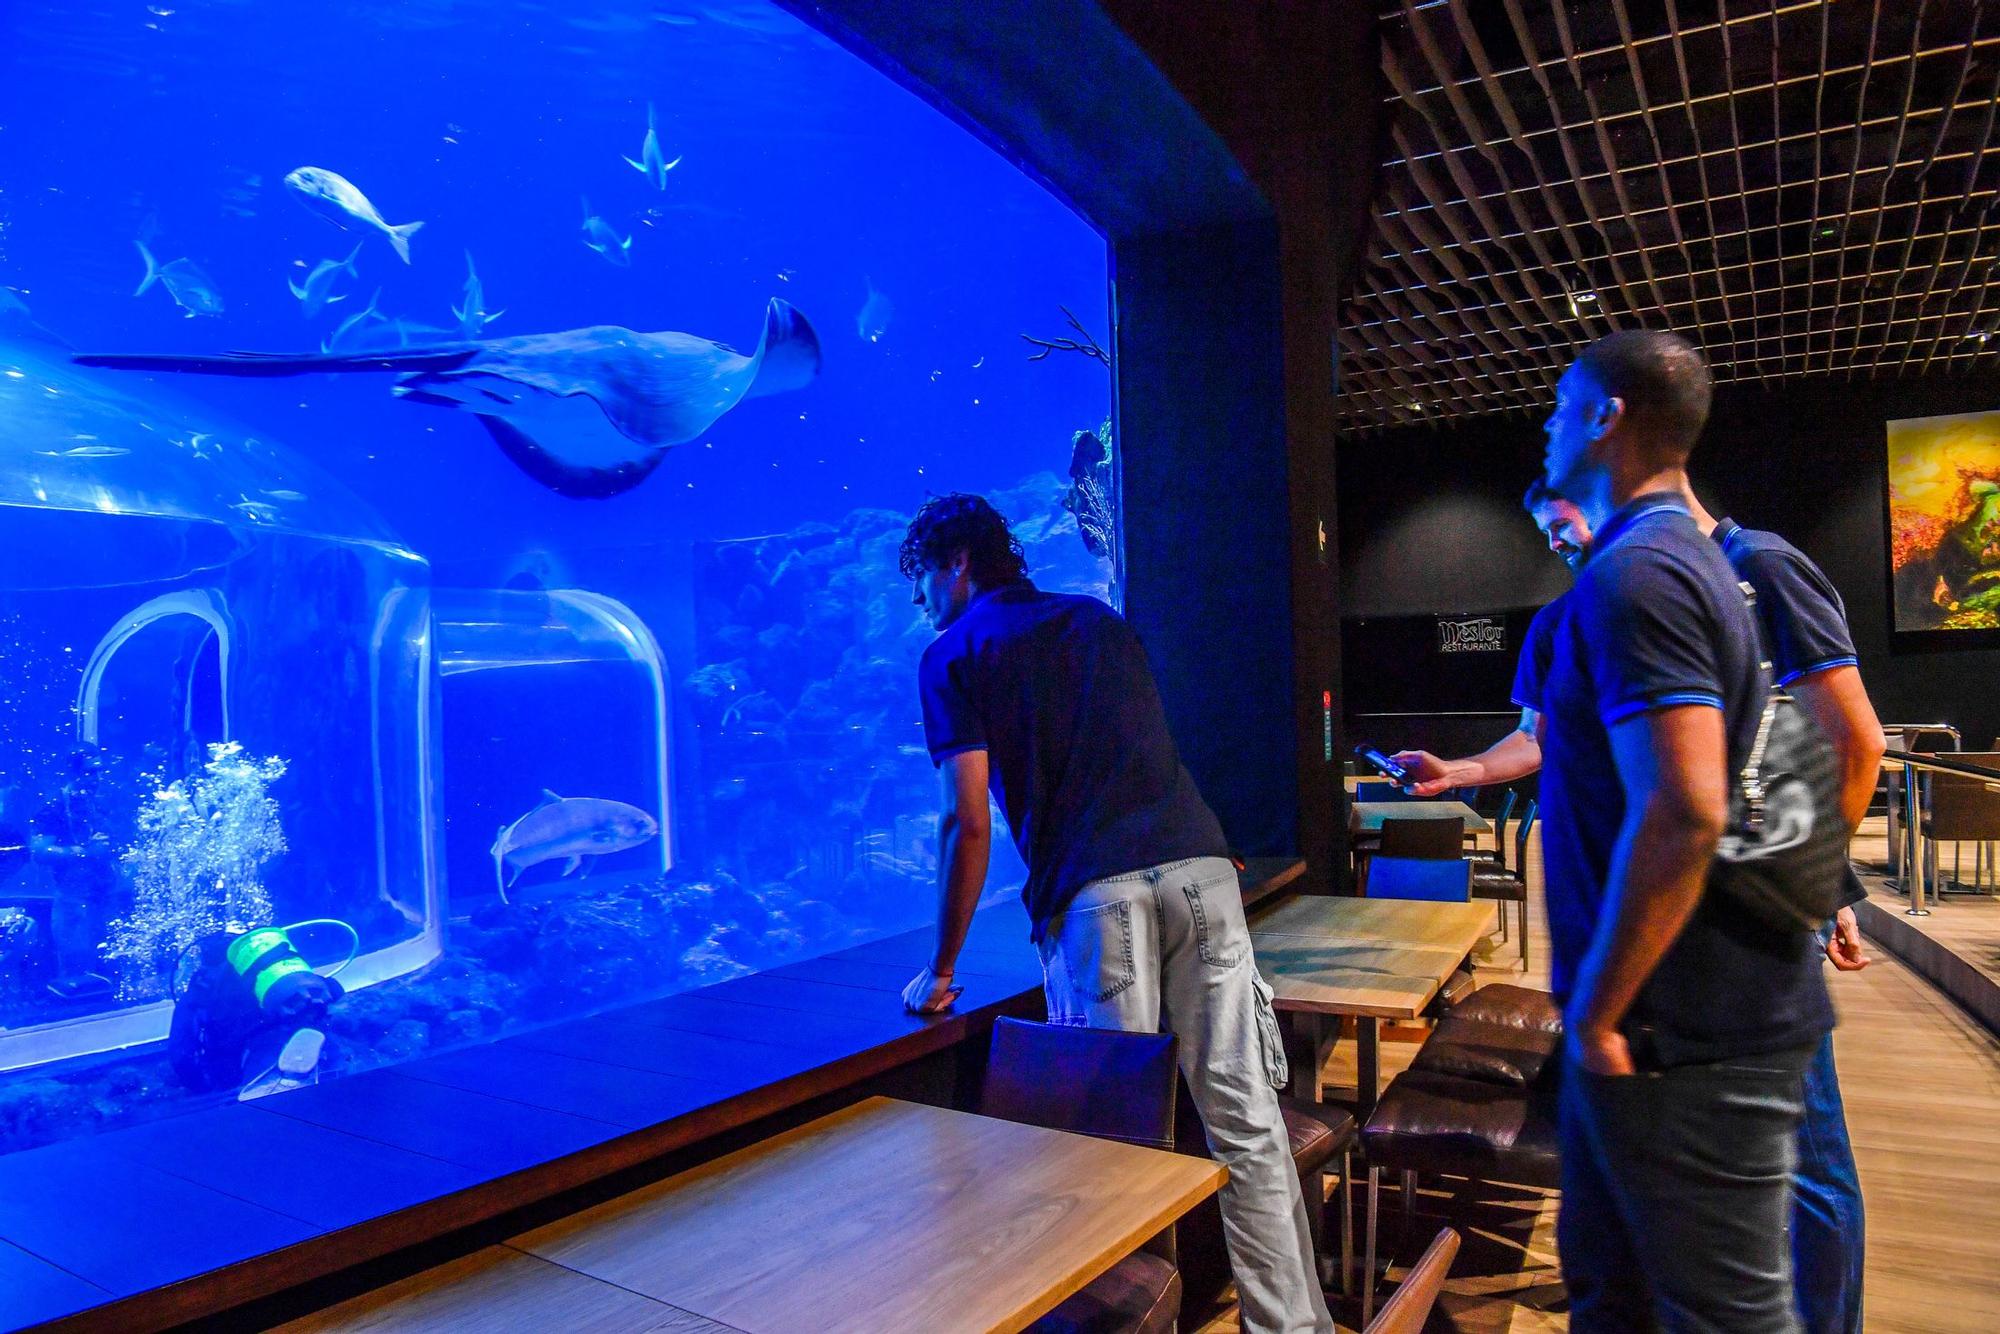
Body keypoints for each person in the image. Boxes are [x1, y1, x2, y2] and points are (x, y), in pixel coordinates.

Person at [1405, 477, 1879, 1332]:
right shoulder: (1572, 618)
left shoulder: (1755, 566)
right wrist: (1465, 771)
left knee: (1804, 1164)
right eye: (1546, 528)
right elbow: (1536, 737)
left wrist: (1822, 885)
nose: (1559, 538)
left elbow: (1822, 745)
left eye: (1568, 515)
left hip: (1742, 930)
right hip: (1629, 938)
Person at [897, 493, 1331, 1334]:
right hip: (1204, 871)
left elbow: (967, 819)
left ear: (955, 563)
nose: (920, 605)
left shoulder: (952, 656)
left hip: (1099, 896)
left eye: (920, 582)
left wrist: (943, 966)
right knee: (1246, 1122)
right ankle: (1295, 1328)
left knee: (1113, 1150)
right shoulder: (1099, 622)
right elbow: (1148, 751)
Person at [1531, 330, 1832, 1331]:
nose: (1545, 421)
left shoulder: (1639, 576)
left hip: (1681, 1035)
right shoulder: (1672, 558)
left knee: (1718, 1315)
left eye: (1559, 402)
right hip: (1665, 1031)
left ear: (1606, 416)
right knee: (1614, 1295)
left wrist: (1598, 1011)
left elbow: (1685, 807)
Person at [1390, 478, 1592, 796]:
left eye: (1562, 525)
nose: (1554, 544)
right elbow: (1531, 739)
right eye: (1546, 533)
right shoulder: (1552, 625)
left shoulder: (1673, 592)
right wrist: (1451, 772)